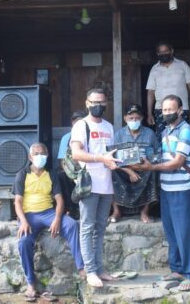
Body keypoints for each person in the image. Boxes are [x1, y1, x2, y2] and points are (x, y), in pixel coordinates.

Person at [135, 95, 190, 291]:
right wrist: (143, 160)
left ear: (180, 110)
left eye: (170, 109)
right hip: (167, 189)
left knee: (186, 233)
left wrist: (150, 168)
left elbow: (177, 162)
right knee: (172, 233)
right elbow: (162, 158)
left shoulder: (186, 131)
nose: (166, 113)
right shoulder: (165, 131)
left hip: (182, 190)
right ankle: (177, 270)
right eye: (164, 110)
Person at [14, 142, 84, 302]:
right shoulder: (22, 174)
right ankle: (31, 284)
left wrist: (57, 219)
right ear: (30, 157)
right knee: (23, 242)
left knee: (72, 225)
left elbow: (59, 200)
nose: (40, 156)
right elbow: (17, 202)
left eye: (43, 153)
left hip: (48, 213)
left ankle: (81, 268)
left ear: (47, 155)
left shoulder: (51, 174)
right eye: (36, 154)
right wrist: (23, 221)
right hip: (29, 215)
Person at [70, 88, 120, 288]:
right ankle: (90, 271)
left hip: (106, 185)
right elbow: (76, 154)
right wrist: (101, 158)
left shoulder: (109, 126)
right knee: (87, 228)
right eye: (94, 102)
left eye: (101, 102)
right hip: (89, 184)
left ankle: (100, 269)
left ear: (106, 104)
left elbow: (111, 154)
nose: (98, 106)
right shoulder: (81, 125)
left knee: (100, 228)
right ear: (87, 103)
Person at [109, 104, 159, 223]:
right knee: (110, 172)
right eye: (131, 118)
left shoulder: (149, 134)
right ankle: (116, 210)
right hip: (124, 169)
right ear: (125, 118)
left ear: (141, 118)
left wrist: (147, 164)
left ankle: (145, 211)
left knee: (153, 172)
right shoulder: (119, 135)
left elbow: (157, 153)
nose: (134, 121)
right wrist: (130, 171)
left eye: (137, 118)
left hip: (143, 168)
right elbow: (113, 157)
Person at [145, 41, 190, 138]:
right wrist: (149, 113)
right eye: (161, 52)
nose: (163, 54)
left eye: (166, 51)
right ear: (157, 54)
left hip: (181, 109)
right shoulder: (154, 69)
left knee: (182, 135)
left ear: (171, 51)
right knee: (162, 138)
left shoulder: (182, 65)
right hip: (161, 110)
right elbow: (150, 92)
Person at [57, 110, 86, 220]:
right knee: (61, 176)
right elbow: (62, 160)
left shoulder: (89, 134)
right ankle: (72, 209)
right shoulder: (67, 137)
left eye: (80, 121)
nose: (77, 123)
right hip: (72, 169)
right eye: (75, 121)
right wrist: (71, 173)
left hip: (88, 168)